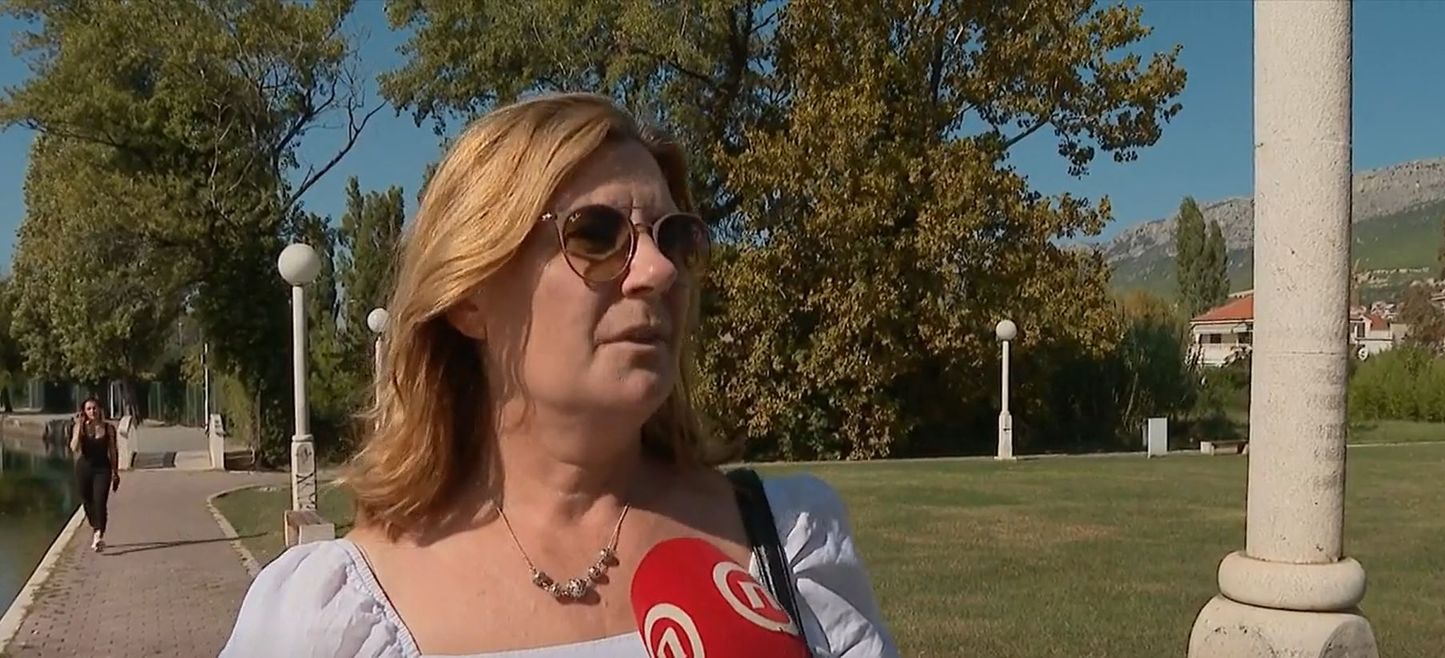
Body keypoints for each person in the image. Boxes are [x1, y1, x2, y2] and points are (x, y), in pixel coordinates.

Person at [221, 93, 898, 657]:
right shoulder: (329, 617)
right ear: (469, 296)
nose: (660, 271)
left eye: (674, 237)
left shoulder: (787, 541)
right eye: (596, 235)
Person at [69, 396, 118, 552]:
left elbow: (113, 451)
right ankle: (95, 525)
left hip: (102, 469)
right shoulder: (81, 428)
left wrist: (115, 472)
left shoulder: (108, 428)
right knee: (87, 500)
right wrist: (78, 428)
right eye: (89, 409)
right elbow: (74, 447)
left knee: (100, 501)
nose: (92, 411)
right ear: (84, 411)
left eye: (94, 408)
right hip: (84, 468)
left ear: (100, 409)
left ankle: (98, 534)